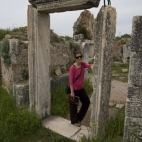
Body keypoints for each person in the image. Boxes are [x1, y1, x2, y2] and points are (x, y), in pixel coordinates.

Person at [69, 51, 92, 127]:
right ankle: (74, 121)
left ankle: (79, 118)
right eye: (77, 57)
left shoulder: (83, 64)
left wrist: (95, 66)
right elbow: (71, 81)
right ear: (75, 58)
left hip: (81, 88)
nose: (79, 58)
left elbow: (89, 66)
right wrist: (72, 92)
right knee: (74, 105)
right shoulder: (73, 68)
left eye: (80, 56)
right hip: (74, 89)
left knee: (87, 102)